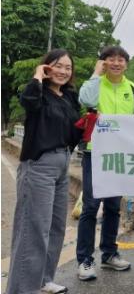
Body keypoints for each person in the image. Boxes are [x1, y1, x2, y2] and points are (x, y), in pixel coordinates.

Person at [7, 50, 81, 294]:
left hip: (63, 162)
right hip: (39, 165)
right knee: (34, 227)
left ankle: (44, 279)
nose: (63, 71)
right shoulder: (38, 92)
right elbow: (28, 102)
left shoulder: (68, 97)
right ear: (47, 67)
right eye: (58, 66)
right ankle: (23, 289)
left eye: (68, 68)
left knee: (56, 226)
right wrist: (37, 76)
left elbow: (73, 131)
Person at [76, 45, 134, 281]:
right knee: (91, 207)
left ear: (126, 64)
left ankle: (109, 254)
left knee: (114, 207)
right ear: (103, 62)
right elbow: (85, 99)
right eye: (110, 59)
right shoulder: (94, 84)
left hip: (119, 156)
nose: (116, 63)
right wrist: (96, 73)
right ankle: (84, 260)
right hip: (94, 153)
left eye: (121, 59)